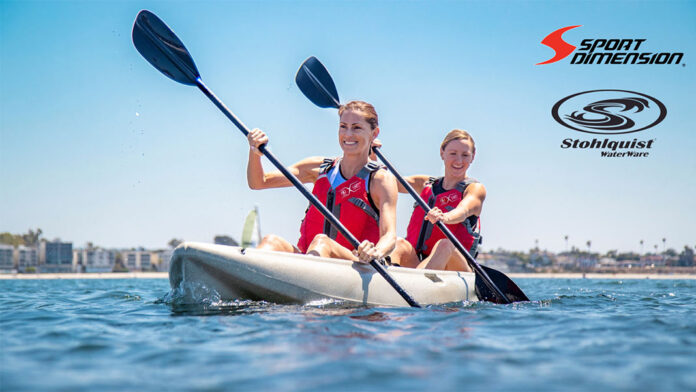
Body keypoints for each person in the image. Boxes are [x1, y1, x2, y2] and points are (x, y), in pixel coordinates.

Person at [246, 101, 398, 263]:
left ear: (374, 134)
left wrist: (375, 251)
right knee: (271, 241)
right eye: (343, 126)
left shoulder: (380, 179)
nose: (348, 134)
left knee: (322, 242)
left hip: (355, 264)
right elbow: (258, 182)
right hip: (311, 261)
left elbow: (390, 236)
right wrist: (255, 151)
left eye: (357, 128)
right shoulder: (319, 168)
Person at [387, 129, 485, 272]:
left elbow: (463, 211)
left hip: (455, 270)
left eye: (465, 155)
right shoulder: (424, 184)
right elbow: (383, 182)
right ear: (442, 153)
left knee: (445, 245)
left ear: (473, 157)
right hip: (419, 263)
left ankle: (416, 282)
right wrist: (368, 155)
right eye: (453, 154)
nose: (459, 160)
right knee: (398, 243)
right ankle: (389, 278)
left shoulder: (475, 189)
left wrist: (445, 217)